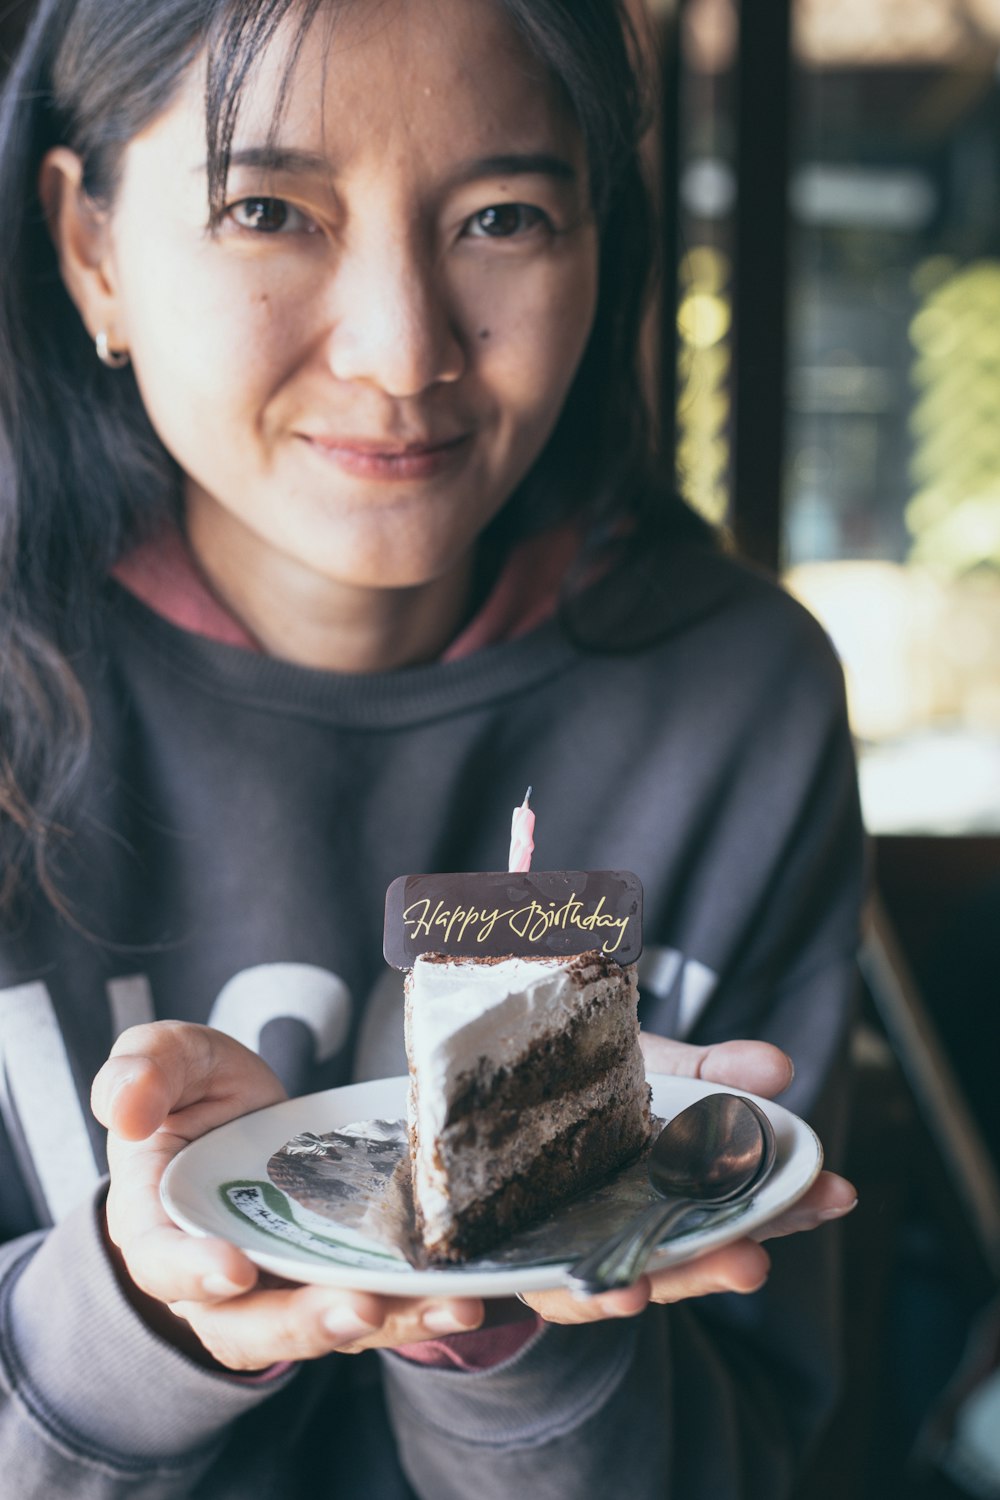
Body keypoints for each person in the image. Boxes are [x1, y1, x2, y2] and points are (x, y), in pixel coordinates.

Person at [0, 0, 865, 1495]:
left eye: (504, 216)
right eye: (268, 209)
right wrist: (145, 1310)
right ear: (92, 250)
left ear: (605, 241)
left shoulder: (731, 702)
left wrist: (518, 1322)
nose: (403, 351)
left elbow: (760, 1457)